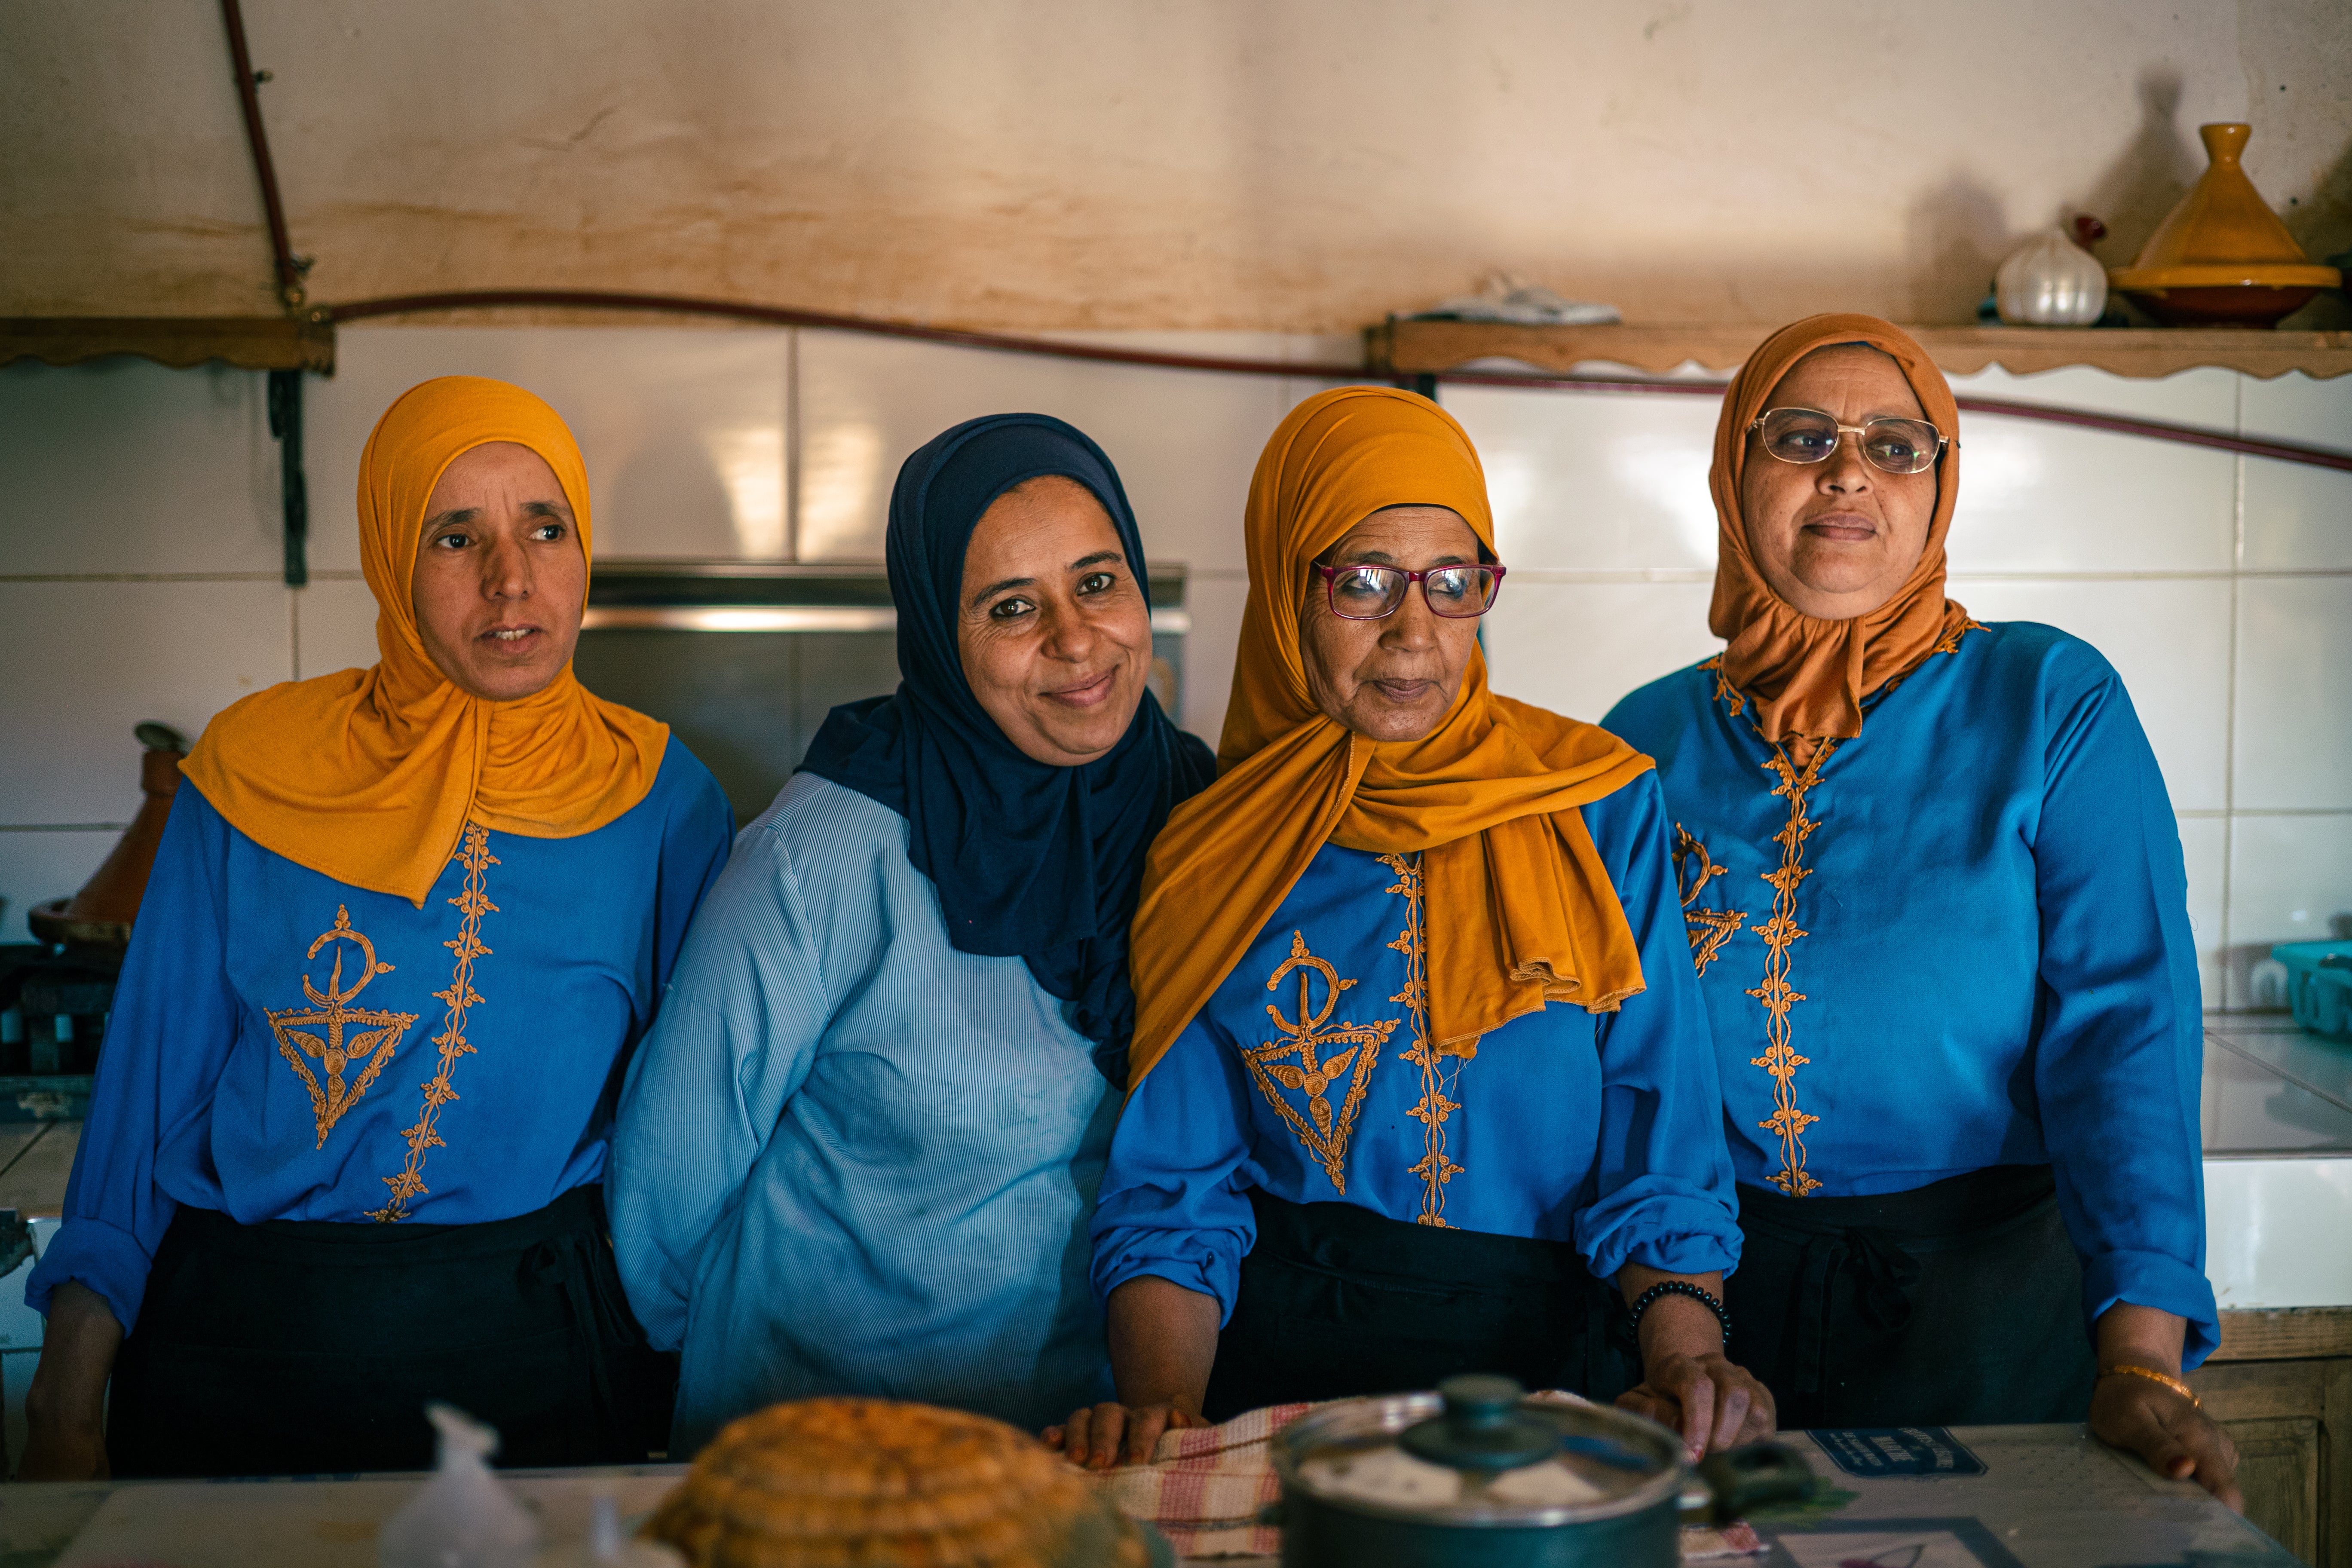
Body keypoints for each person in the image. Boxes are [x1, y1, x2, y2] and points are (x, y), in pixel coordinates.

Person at [19, 377, 732, 1479]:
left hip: (534, 1349)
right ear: (394, 560)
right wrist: (66, 1405)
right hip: (244, 1341)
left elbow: (690, 1131)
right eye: (457, 536)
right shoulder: (252, 777)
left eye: (547, 527)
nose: (513, 577)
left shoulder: (661, 803)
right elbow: (145, 1097)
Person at [1058, 387, 1769, 1471]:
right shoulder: (1220, 848)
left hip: (1548, 1382)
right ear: (1286, 585)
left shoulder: (1594, 804)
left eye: (1452, 584)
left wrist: (1683, 1357)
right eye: (1361, 583)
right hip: (1286, 1392)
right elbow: (1177, 1192)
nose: (1413, 634)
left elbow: (1658, 1141)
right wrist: (1167, 1410)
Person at [1602, 314, 2239, 1505]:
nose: (1848, 471)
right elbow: (1621, 1069)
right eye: (1802, 437)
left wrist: (2144, 1356)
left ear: (1942, 490)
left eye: (1898, 446)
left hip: (1993, 1301)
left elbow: (2128, 1034)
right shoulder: (1637, 744)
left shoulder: (2049, 699)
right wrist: (1678, 1335)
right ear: (1733, 475)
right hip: (1715, 1328)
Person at [609, 413, 1216, 1457]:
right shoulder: (825, 853)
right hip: (826, 1443)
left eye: (1099, 582)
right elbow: (671, 1170)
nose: (1075, 640)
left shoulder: (1200, 818)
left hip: (1084, 1449)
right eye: (1012, 608)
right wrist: (704, 1406)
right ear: (940, 629)